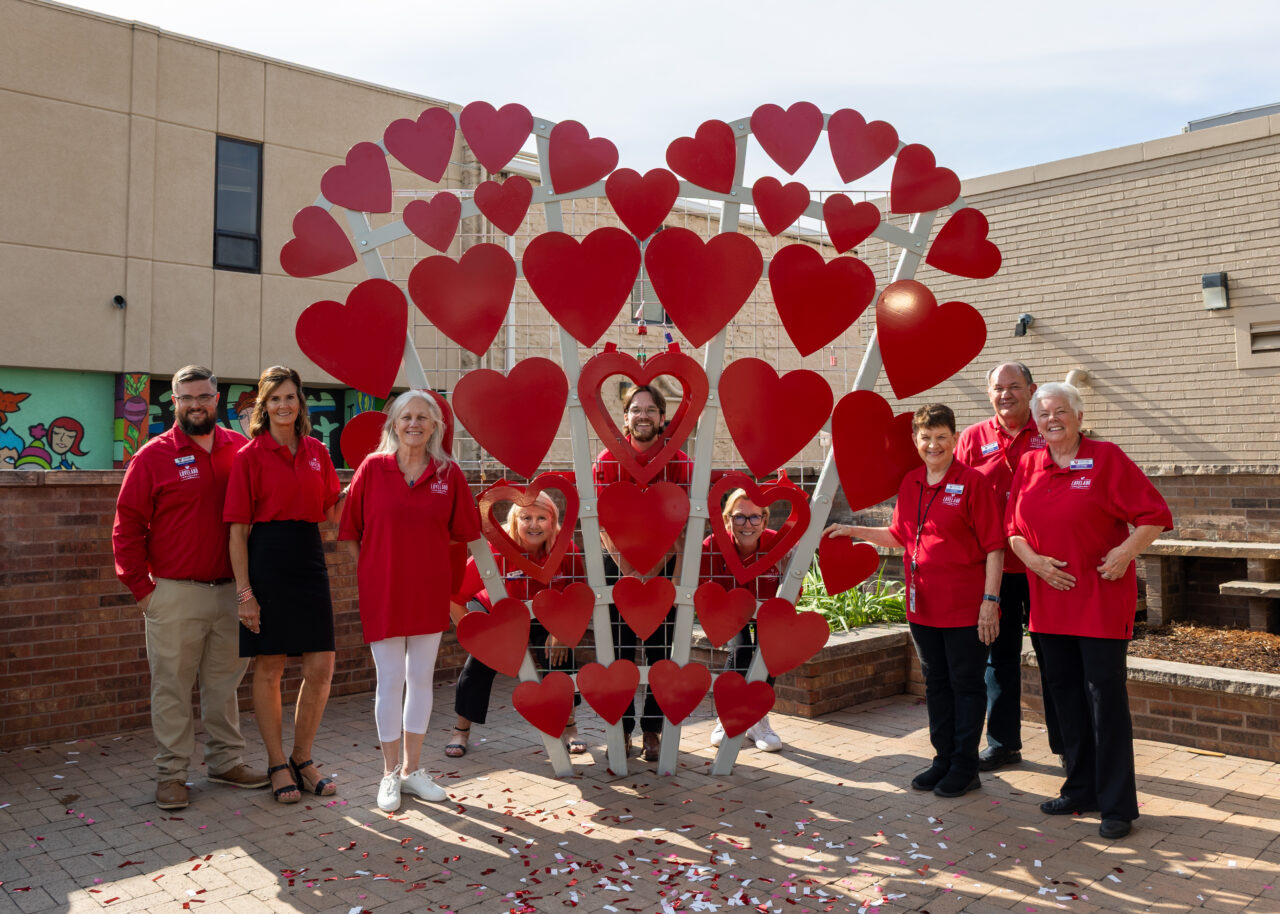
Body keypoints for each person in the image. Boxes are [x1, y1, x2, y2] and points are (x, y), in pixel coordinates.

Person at [1006, 382, 1172, 840]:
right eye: (1043, 414)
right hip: (1049, 606)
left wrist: (1123, 554)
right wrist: (1034, 562)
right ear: (1035, 423)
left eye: (1061, 411)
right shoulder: (1029, 464)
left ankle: (1117, 805)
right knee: (1065, 700)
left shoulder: (1106, 458)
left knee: (1105, 701)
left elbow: (1154, 515)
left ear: (1078, 416)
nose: (1052, 419)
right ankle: (1080, 788)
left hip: (1098, 604)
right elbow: (1012, 529)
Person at [825, 404, 1003, 798]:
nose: (933, 444)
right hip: (923, 608)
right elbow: (900, 534)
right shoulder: (911, 483)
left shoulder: (973, 483)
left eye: (941, 437)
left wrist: (990, 601)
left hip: (964, 608)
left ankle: (965, 766)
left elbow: (995, 548)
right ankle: (942, 760)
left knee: (966, 686)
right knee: (937, 685)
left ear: (954, 439)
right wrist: (855, 530)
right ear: (915, 441)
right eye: (926, 437)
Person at [112, 365, 267, 810]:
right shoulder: (152, 456)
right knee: (172, 688)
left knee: (224, 687)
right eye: (186, 398)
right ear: (174, 402)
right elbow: (127, 528)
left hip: (232, 593)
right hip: (174, 593)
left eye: (203, 397)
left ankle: (225, 763)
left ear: (216, 399)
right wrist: (143, 591)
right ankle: (172, 774)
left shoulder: (242, 449)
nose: (195, 405)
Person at [338, 391, 480, 812]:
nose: (414, 423)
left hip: (428, 590)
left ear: (435, 425)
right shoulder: (372, 469)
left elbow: (462, 530)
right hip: (382, 590)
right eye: (406, 417)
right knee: (390, 680)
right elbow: (349, 533)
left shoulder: (448, 473)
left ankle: (412, 771)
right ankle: (388, 773)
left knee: (420, 678)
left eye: (422, 417)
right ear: (393, 424)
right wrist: (371, 570)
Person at [225, 366, 344, 804]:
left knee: (320, 667)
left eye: (290, 396)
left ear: (300, 403)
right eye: (274, 398)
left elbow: (334, 510)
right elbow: (237, 532)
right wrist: (245, 593)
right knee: (270, 666)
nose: (283, 405)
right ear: (263, 405)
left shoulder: (317, 451)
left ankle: (303, 758)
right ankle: (277, 762)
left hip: (309, 556)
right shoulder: (249, 456)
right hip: (267, 558)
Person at [955, 361, 1059, 771]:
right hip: (994, 572)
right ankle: (1003, 744)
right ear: (988, 393)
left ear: (1031, 390)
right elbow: (958, 497)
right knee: (998, 659)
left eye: (1014, 387)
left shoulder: (1049, 431)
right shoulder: (972, 438)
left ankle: (1068, 746)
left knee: (1055, 659)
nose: (1006, 395)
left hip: (1044, 568)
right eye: (998, 388)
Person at [592, 384, 691, 761]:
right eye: (636, 409)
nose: (643, 415)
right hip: (616, 565)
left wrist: (655, 569)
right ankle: (623, 733)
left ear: (662, 418)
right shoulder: (607, 460)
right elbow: (603, 523)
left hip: (666, 568)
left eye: (651, 410)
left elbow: (681, 526)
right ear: (625, 418)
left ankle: (652, 730)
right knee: (618, 655)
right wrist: (631, 570)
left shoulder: (680, 462)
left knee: (660, 656)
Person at [446, 492, 585, 759]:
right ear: (514, 520)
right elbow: (455, 596)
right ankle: (460, 731)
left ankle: (570, 727)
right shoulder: (497, 550)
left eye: (542, 517)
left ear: (553, 520)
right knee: (479, 663)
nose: (534, 525)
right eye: (526, 517)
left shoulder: (566, 549)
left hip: (545, 616)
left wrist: (562, 632)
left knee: (561, 659)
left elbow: (577, 595)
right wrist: (473, 635)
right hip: (496, 611)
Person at [701, 488, 788, 752]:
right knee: (741, 650)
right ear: (727, 520)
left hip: (767, 611)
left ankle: (757, 719)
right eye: (739, 517)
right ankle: (727, 715)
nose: (747, 524)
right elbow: (705, 589)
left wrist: (789, 566)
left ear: (765, 520)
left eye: (754, 517)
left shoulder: (779, 542)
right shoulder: (713, 545)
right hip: (731, 613)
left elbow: (792, 592)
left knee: (768, 653)